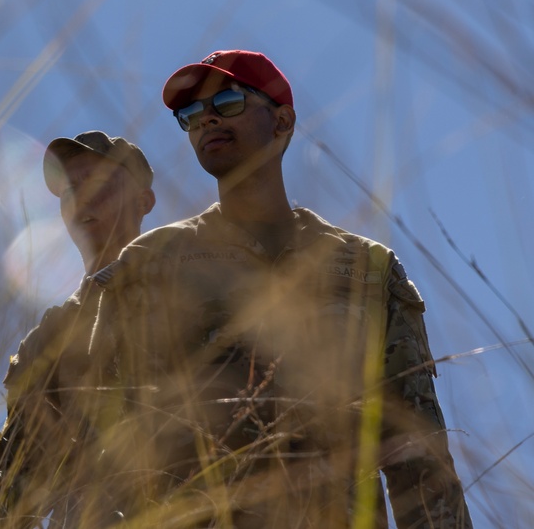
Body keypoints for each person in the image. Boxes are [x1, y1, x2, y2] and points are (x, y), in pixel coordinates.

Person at [89, 50, 472, 528]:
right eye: (189, 116)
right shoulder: (150, 264)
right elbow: (102, 440)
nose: (205, 120)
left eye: (226, 102)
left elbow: (418, 454)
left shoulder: (367, 269)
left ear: (282, 120)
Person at [0, 131, 156, 526]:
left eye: (100, 183)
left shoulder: (186, 291)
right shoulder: (48, 337)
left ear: (143, 201)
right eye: (70, 189)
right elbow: (15, 482)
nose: (82, 198)